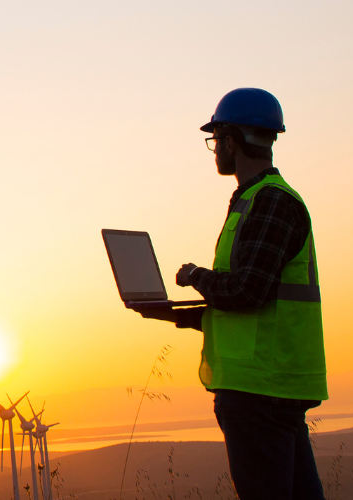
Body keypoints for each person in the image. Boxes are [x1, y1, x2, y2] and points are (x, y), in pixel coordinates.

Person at [133, 88, 326, 500]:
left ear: (232, 141)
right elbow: (247, 306)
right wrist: (172, 314)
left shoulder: (269, 202)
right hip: (271, 390)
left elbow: (246, 292)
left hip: (260, 392)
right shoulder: (257, 200)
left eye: (216, 139)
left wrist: (194, 276)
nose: (215, 149)